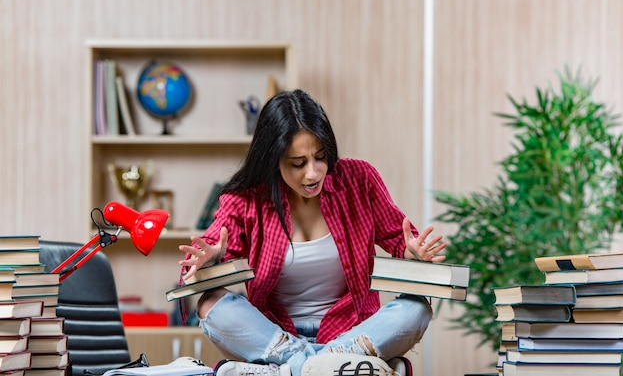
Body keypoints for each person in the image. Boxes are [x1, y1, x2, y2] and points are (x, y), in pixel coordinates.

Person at [178, 89, 447, 376]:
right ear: (273, 159)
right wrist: (209, 259)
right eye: (297, 163)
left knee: (416, 307)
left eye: (320, 157)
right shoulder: (247, 198)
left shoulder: (359, 179)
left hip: (352, 331)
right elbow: (199, 260)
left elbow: (399, 238)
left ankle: (295, 368)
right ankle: (332, 366)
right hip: (275, 335)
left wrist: (413, 252)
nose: (313, 173)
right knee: (211, 304)